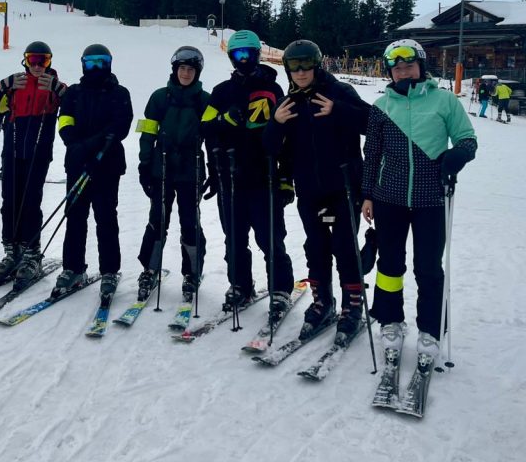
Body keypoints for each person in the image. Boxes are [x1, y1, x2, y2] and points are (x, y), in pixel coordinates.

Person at [360, 39, 477, 372]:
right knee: (390, 265)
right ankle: (390, 320)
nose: (403, 71)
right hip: (388, 199)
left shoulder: (444, 100)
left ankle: (430, 330)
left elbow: (467, 138)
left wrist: (459, 155)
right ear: (390, 73)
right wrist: (367, 194)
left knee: (428, 267)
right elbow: (372, 155)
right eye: (397, 68)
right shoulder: (381, 106)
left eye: (409, 65)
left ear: (421, 67)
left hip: (431, 199)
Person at [263, 39, 371, 339]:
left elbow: (372, 123)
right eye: (293, 67)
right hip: (309, 189)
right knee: (316, 248)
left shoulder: (339, 91)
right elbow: (272, 148)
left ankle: (352, 305)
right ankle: (322, 301)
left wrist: (339, 111)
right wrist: (275, 123)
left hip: (344, 186)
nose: (300, 72)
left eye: (305, 65)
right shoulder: (289, 102)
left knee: (346, 249)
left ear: (316, 64)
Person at [201, 29, 295, 315]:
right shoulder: (221, 92)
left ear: (256, 55)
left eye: (248, 55)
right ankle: (240, 284)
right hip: (230, 177)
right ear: (231, 57)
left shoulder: (272, 89)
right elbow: (203, 129)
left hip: (263, 176)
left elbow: (287, 137)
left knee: (270, 237)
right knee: (235, 238)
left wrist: (285, 179)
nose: (243, 60)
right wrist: (224, 121)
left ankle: (280, 288)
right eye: (238, 55)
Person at [0, 40, 66, 289]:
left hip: (38, 152)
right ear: (25, 60)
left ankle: (31, 253)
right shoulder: (15, 84)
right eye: (33, 60)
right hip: (12, 150)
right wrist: (2, 85)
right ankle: (12, 250)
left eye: (44, 60)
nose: (38, 65)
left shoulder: (53, 85)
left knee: (30, 201)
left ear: (50, 62)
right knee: (9, 200)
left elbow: (76, 106)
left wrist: (59, 89)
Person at [55, 44, 133, 299]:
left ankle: (109, 270)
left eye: (101, 62)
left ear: (109, 64)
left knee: (106, 218)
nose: (96, 68)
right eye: (91, 63)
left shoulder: (119, 92)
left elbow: (120, 126)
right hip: (77, 162)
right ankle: (73, 267)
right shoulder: (74, 93)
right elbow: (65, 120)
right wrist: (74, 145)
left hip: (106, 164)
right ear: (83, 65)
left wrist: (91, 146)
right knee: (75, 216)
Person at [135, 46, 211, 302]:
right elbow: (147, 131)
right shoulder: (159, 97)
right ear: (175, 70)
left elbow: (212, 138)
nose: (186, 73)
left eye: (191, 69)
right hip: (162, 167)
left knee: (189, 222)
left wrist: (216, 169)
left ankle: (192, 272)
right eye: (182, 69)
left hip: (191, 169)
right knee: (158, 219)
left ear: (197, 72)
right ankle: (150, 268)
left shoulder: (205, 100)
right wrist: (144, 164)